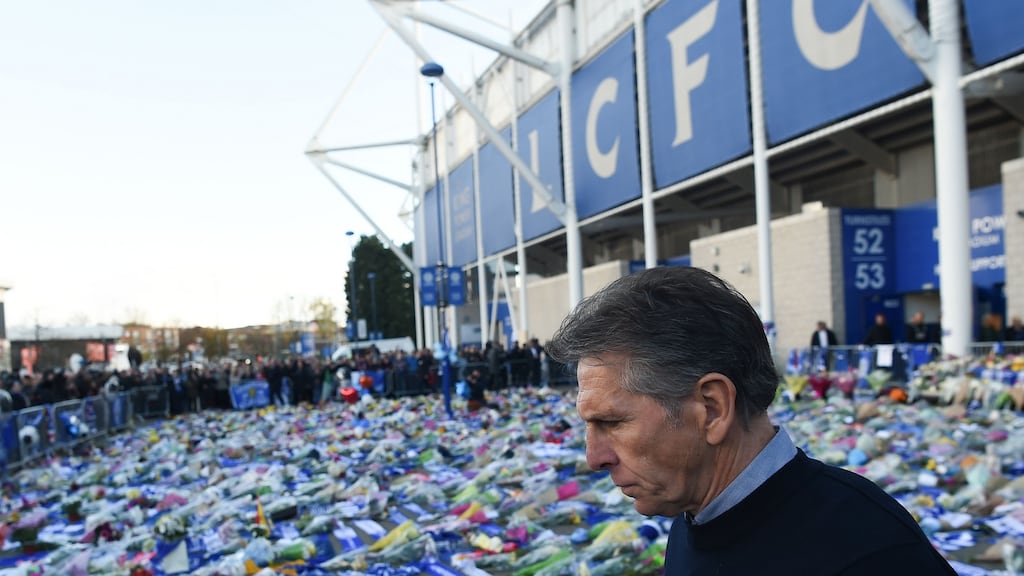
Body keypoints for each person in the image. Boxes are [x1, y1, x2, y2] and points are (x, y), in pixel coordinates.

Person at [546, 267, 955, 575]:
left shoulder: (870, 553)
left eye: (613, 423)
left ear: (712, 408)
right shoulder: (691, 525)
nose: (594, 457)